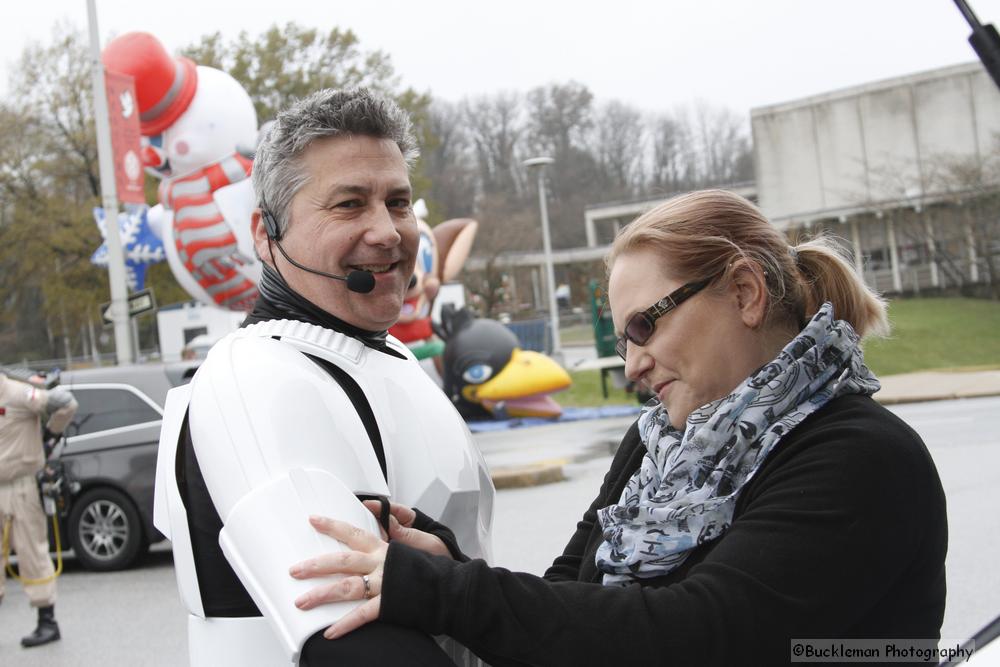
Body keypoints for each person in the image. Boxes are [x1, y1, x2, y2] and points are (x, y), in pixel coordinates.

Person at [290, 189, 948, 666]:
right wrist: (449, 567)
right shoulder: (658, 440)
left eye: (644, 325)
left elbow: (702, 633)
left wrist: (447, 591)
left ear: (745, 293)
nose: (631, 361)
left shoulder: (862, 456)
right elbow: (569, 597)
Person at [153, 88, 493, 666]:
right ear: (266, 234)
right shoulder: (259, 375)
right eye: (349, 204)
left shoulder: (387, 359)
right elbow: (349, 641)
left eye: (399, 202)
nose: (388, 232)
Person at [0, 366, 77, 648]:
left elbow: (66, 403)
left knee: (32, 553)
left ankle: (47, 621)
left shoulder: (18, 394)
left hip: (20, 486)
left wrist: (49, 436)